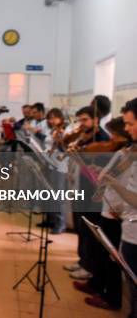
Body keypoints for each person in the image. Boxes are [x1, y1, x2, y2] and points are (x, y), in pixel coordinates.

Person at [75, 116, 132, 311]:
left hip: (117, 210)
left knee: (112, 260)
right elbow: (112, 175)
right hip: (108, 207)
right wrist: (100, 171)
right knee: (102, 252)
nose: (112, 138)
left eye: (117, 133)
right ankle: (98, 285)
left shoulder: (129, 154)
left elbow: (123, 182)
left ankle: (111, 297)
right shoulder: (123, 152)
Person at [63, 106, 110, 281]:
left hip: (91, 189)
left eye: (85, 120)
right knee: (80, 226)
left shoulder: (103, 138)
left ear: (96, 120)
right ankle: (82, 260)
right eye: (79, 120)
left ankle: (89, 266)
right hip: (78, 185)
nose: (81, 124)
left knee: (89, 228)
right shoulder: (84, 137)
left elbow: (97, 166)